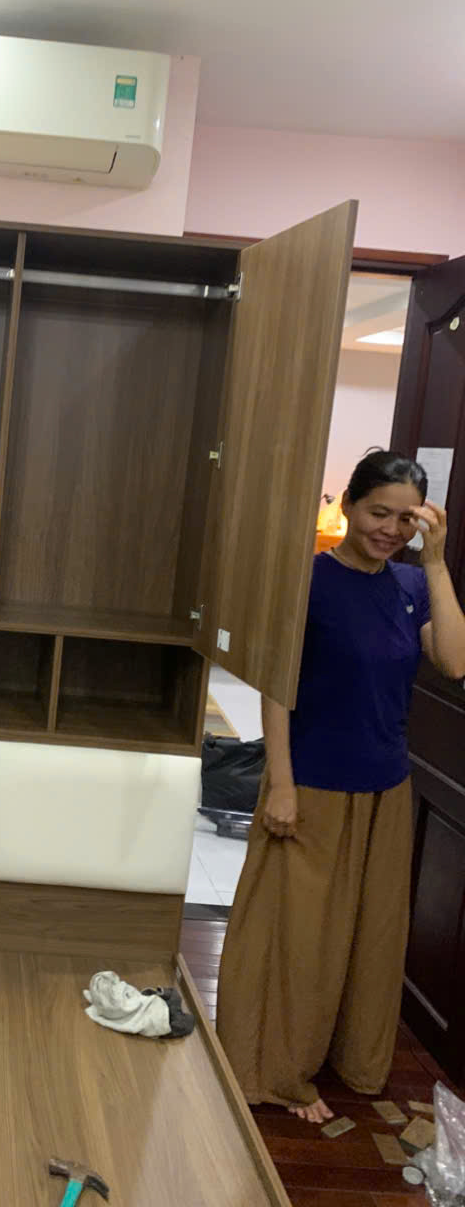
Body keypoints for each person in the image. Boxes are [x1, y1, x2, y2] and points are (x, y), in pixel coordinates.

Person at [217, 448, 465, 1124]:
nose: (390, 529)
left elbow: (454, 660)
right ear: (349, 505)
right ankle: (275, 1069)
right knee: (300, 940)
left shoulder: (411, 585)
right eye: (378, 512)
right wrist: (281, 783)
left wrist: (436, 563)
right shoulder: (309, 582)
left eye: (405, 520)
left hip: (386, 787)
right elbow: (278, 688)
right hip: (313, 784)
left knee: (367, 937)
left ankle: (349, 1059)